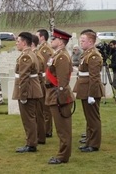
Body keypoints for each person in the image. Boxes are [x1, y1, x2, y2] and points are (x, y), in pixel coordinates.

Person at [45, 28, 74, 164]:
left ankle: (63, 156)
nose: (52, 40)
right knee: (60, 128)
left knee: (63, 129)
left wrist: (61, 99)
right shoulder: (57, 55)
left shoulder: (62, 57)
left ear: (61, 42)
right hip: (54, 94)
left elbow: (62, 81)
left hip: (58, 95)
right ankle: (62, 153)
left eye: (54, 39)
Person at [73, 29, 104, 152]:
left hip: (91, 91)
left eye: (83, 40)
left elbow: (94, 77)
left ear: (91, 42)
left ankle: (94, 144)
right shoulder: (87, 54)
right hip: (85, 89)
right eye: (80, 40)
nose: (81, 42)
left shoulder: (93, 56)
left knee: (93, 118)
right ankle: (89, 141)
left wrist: (91, 94)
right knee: (89, 118)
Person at [13, 32, 43, 153]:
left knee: (28, 118)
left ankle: (31, 144)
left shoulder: (26, 56)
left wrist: (23, 95)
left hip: (28, 91)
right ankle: (31, 142)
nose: (16, 43)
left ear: (24, 42)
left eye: (18, 41)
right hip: (32, 89)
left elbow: (24, 77)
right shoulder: (31, 54)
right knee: (31, 117)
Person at [36, 29, 54, 138]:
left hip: (44, 81)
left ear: (42, 37)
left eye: (37, 36)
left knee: (45, 107)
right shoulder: (41, 48)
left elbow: (47, 67)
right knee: (42, 106)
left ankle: (47, 130)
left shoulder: (45, 50)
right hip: (42, 80)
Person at [31, 35, 47, 145]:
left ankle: (40, 136)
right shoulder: (37, 54)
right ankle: (39, 135)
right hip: (39, 84)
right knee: (37, 112)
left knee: (38, 112)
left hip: (38, 85)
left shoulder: (36, 55)